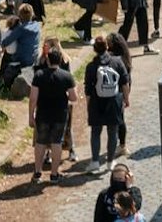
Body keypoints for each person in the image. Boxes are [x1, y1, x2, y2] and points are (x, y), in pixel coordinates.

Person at [29, 47, 78, 183]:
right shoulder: (66, 76)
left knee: (41, 142)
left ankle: (37, 172)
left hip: (43, 114)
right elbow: (73, 98)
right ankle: (54, 174)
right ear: (61, 59)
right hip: (60, 115)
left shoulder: (39, 75)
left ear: (48, 60)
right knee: (57, 143)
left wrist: (30, 115)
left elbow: (33, 98)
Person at [85, 33, 131, 167]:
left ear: (94, 49)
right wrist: (126, 99)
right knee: (112, 132)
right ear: (107, 47)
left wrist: (89, 105)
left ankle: (94, 161)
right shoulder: (117, 62)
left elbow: (88, 89)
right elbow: (125, 82)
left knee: (95, 132)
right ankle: (110, 161)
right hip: (114, 100)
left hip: (97, 102)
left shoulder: (91, 66)